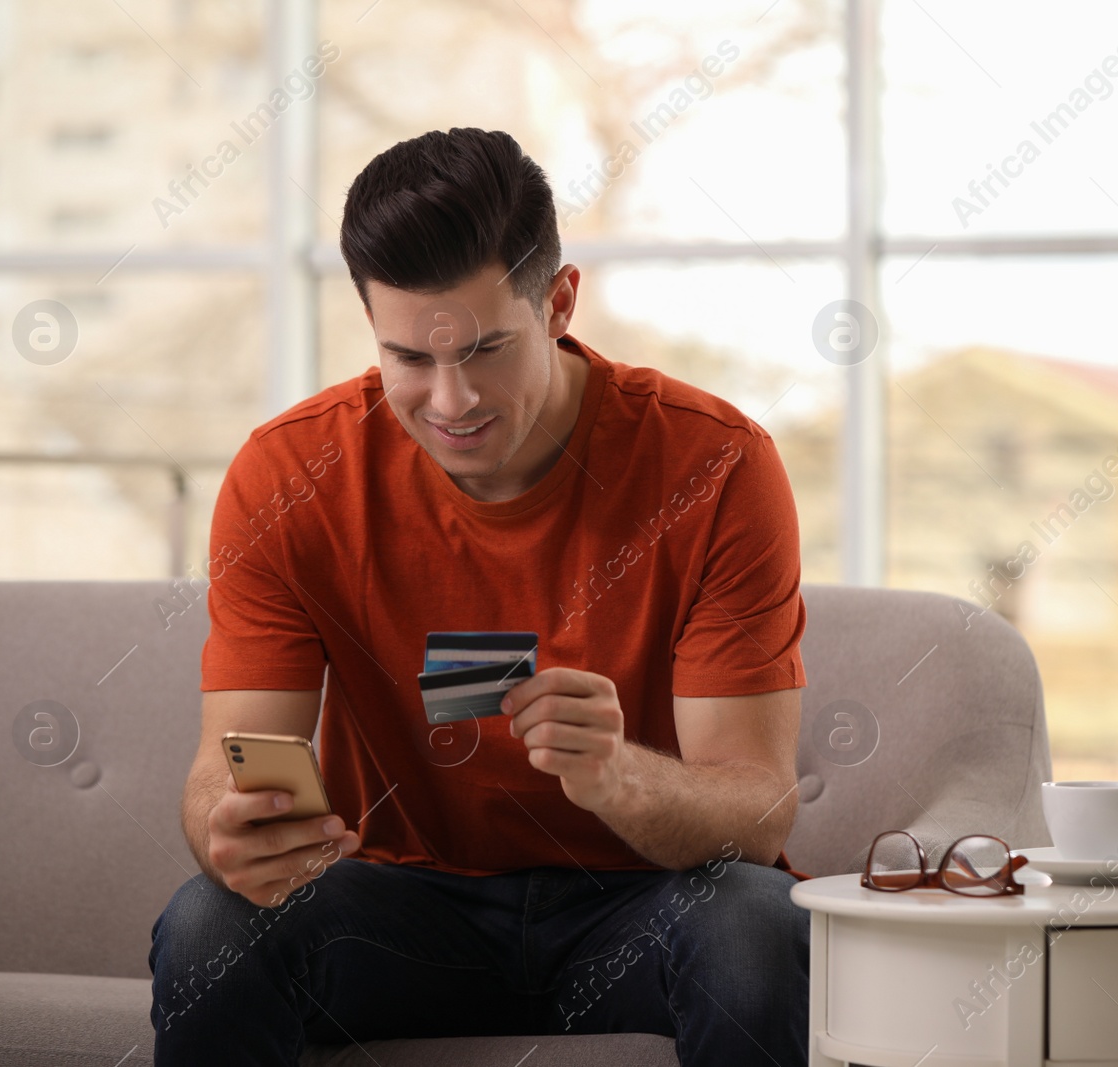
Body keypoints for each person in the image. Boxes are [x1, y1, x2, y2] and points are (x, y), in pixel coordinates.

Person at [148, 126, 810, 1067]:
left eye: (487, 349)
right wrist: (229, 826)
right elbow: (227, 762)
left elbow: (758, 812)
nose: (451, 401)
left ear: (560, 301)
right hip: (399, 910)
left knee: (757, 924)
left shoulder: (715, 464)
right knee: (210, 923)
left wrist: (617, 773)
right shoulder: (287, 475)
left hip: (639, 909)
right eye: (409, 359)